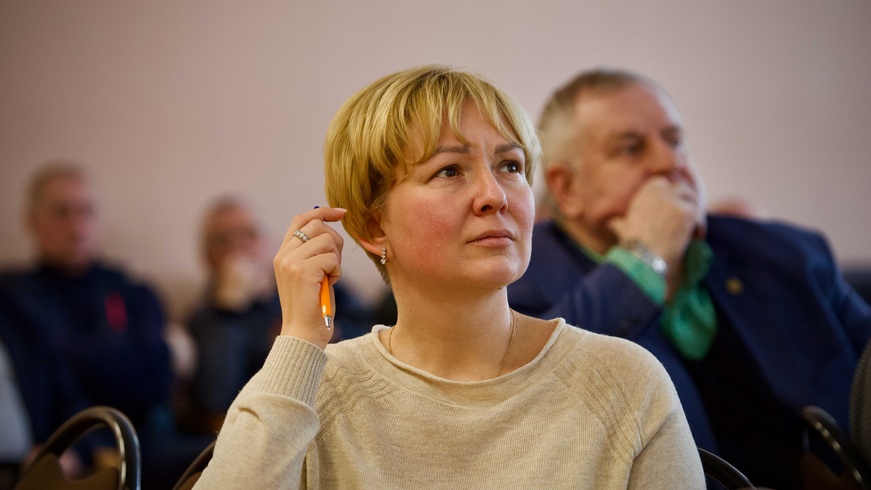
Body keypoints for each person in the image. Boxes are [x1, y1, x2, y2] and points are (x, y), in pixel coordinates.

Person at [195, 65, 704, 488]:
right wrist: (300, 340)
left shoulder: (625, 381)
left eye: (510, 166)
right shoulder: (314, 391)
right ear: (373, 226)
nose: (495, 195)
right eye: (449, 171)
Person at [507, 68, 871, 488]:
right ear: (567, 189)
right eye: (631, 149)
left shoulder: (790, 256)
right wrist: (645, 258)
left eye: (674, 140)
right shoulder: (516, 286)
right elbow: (536, 397)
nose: (670, 162)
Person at [0, 162, 202, 487]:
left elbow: (158, 380)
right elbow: (40, 381)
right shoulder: (15, 298)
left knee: (227, 456)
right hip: (68, 449)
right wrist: (143, 352)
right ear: (33, 221)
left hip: (149, 443)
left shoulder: (133, 291)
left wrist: (72, 355)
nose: (76, 226)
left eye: (86, 211)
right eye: (61, 212)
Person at [184, 196, 372, 433]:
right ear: (208, 256)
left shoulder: (311, 281)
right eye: (223, 241)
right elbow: (216, 399)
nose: (238, 246)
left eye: (249, 234)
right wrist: (228, 312)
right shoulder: (206, 318)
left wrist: (325, 334)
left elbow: (370, 333)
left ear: (269, 242)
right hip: (262, 427)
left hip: (335, 411)